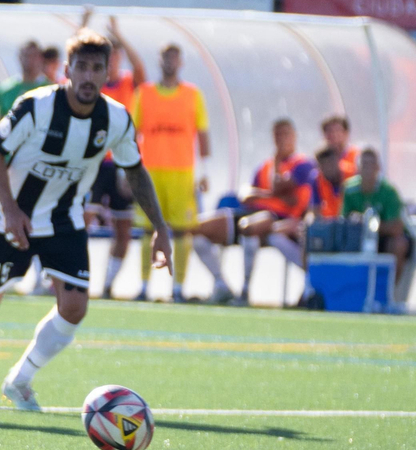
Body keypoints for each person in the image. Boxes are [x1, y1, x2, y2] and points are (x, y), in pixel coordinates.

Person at [0, 29, 170, 409]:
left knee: (75, 307)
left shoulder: (116, 119)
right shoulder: (36, 106)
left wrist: (161, 228)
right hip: (10, 217)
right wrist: (10, 209)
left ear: (107, 74)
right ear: (67, 70)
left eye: (97, 68)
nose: (88, 76)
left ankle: (20, 381)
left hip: (63, 219)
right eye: (81, 67)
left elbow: (135, 170)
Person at [188, 118, 313, 304]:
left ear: (295, 136)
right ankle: (221, 285)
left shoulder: (303, 164)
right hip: (251, 213)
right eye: (277, 134)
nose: (282, 139)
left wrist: (267, 192)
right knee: (194, 230)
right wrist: (270, 194)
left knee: (250, 228)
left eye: (286, 134)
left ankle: (245, 291)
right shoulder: (265, 166)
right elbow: (245, 194)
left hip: (279, 219)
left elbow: (283, 189)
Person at [130, 43, 210, 302]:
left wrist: (204, 170)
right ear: (159, 60)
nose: (170, 62)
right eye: (166, 56)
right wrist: (127, 170)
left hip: (182, 172)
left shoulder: (192, 94)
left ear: (181, 62)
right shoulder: (144, 93)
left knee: (182, 230)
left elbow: (203, 134)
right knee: (146, 229)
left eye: (175, 57)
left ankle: (177, 288)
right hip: (150, 172)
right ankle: (143, 286)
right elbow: (131, 133)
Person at [87, 14, 146, 298]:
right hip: (93, 163)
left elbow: (141, 69)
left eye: (115, 56)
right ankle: (72, 278)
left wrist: (119, 34)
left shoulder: (126, 83)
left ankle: (108, 284)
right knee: (81, 220)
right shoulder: (90, 85)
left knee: (123, 229)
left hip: (122, 164)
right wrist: (84, 26)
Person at [343, 147, 411, 302]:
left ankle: (387, 295)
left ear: (378, 167)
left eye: (371, 164)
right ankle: (350, 294)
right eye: (363, 164)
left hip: (384, 238)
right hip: (359, 238)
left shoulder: (388, 191)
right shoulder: (349, 189)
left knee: (399, 244)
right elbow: (344, 220)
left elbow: (396, 227)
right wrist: (356, 222)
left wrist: (372, 225)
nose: (367, 169)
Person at [0, 40, 48, 112]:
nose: (29, 60)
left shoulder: (49, 90)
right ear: (19, 57)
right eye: (26, 55)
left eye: (33, 56)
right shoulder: (7, 89)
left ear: (40, 59)